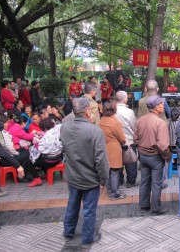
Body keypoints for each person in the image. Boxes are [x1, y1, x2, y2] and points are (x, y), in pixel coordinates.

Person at [62, 98, 109, 248]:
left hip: (73, 175)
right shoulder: (95, 130)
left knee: (72, 204)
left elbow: (63, 148)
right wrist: (103, 180)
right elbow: (101, 159)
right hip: (90, 178)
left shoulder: (64, 127)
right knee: (89, 209)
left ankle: (68, 231)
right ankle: (88, 238)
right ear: (87, 111)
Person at [135, 95, 170, 215]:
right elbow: (163, 145)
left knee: (144, 181)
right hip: (155, 156)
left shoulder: (140, 120)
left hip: (143, 155)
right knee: (156, 183)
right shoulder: (160, 123)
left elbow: (135, 138)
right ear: (156, 107)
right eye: (161, 104)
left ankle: (144, 205)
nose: (163, 106)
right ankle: (155, 208)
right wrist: (166, 156)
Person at [99, 100, 127, 200]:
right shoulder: (114, 122)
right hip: (114, 149)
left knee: (108, 171)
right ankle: (115, 193)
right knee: (115, 171)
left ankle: (110, 189)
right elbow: (122, 139)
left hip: (104, 147)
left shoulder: (102, 120)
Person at [24, 118, 63, 187]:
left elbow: (41, 149)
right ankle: (46, 173)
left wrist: (36, 142)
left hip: (50, 161)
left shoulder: (47, 135)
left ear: (44, 127)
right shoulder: (56, 130)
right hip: (58, 157)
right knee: (40, 156)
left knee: (28, 162)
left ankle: (37, 179)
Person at [115, 91, 138, 188]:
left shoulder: (112, 110)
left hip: (116, 141)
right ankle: (131, 181)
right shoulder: (129, 112)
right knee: (131, 162)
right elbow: (134, 126)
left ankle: (119, 179)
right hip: (128, 140)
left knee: (118, 161)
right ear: (125, 99)